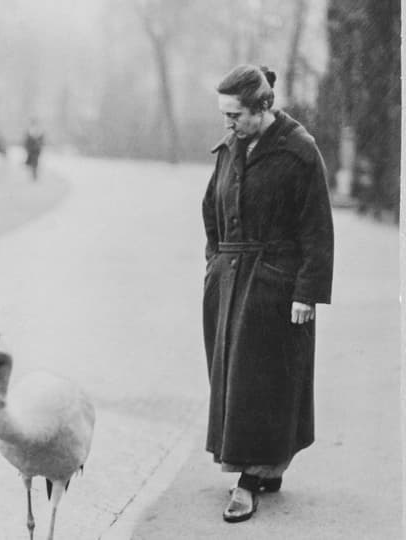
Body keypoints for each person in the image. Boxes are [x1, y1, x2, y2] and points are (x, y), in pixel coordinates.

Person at [202, 64, 334, 522]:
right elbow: (210, 210)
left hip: (275, 285)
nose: (228, 123)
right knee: (235, 382)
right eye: (224, 115)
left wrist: (306, 293)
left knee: (263, 384)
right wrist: (214, 263)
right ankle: (264, 465)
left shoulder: (300, 151)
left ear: (263, 107)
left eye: (235, 114)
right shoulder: (229, 147)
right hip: (230, 281)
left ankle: (248, 480)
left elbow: (317, 230)